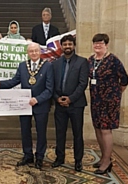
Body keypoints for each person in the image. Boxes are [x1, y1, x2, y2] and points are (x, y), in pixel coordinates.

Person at [0, 42, 54, 169]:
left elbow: (49, 89)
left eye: (36, 51)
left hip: (41, 105)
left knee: (41, 132)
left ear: (40, 52)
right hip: (24, 105)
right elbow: (13, 81)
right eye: (31, 51)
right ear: (27, 53)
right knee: (25, 131)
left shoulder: (48, 66)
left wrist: (37, 99)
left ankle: (39, 157)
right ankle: (27, 155)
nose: (33, 53)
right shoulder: (22, 66)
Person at [88, 33, 128, 174]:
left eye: (100, 43)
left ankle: (107, 162)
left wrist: (115, 94)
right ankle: (103, 157)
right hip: (95, 100)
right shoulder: (91, 60)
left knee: (106, 130)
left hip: (109, 101)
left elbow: (124, 79)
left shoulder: (113, 60)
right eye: (95, 43)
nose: (97, 45)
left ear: (106, 45)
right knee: (98, 129)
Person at [51, 35, 89, 172]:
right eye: (65, 44)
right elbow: (52, 84)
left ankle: (78, 161)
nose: (67, 46)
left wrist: (70, 99)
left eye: (70, 44)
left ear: (74, 46)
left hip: (76, 105)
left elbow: (83, 83)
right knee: (60, 133)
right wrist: (57, 98)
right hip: (59, 104)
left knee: (77, 133)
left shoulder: (82, 62)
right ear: (61, 46)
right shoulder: (54, 64)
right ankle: (59, 158)